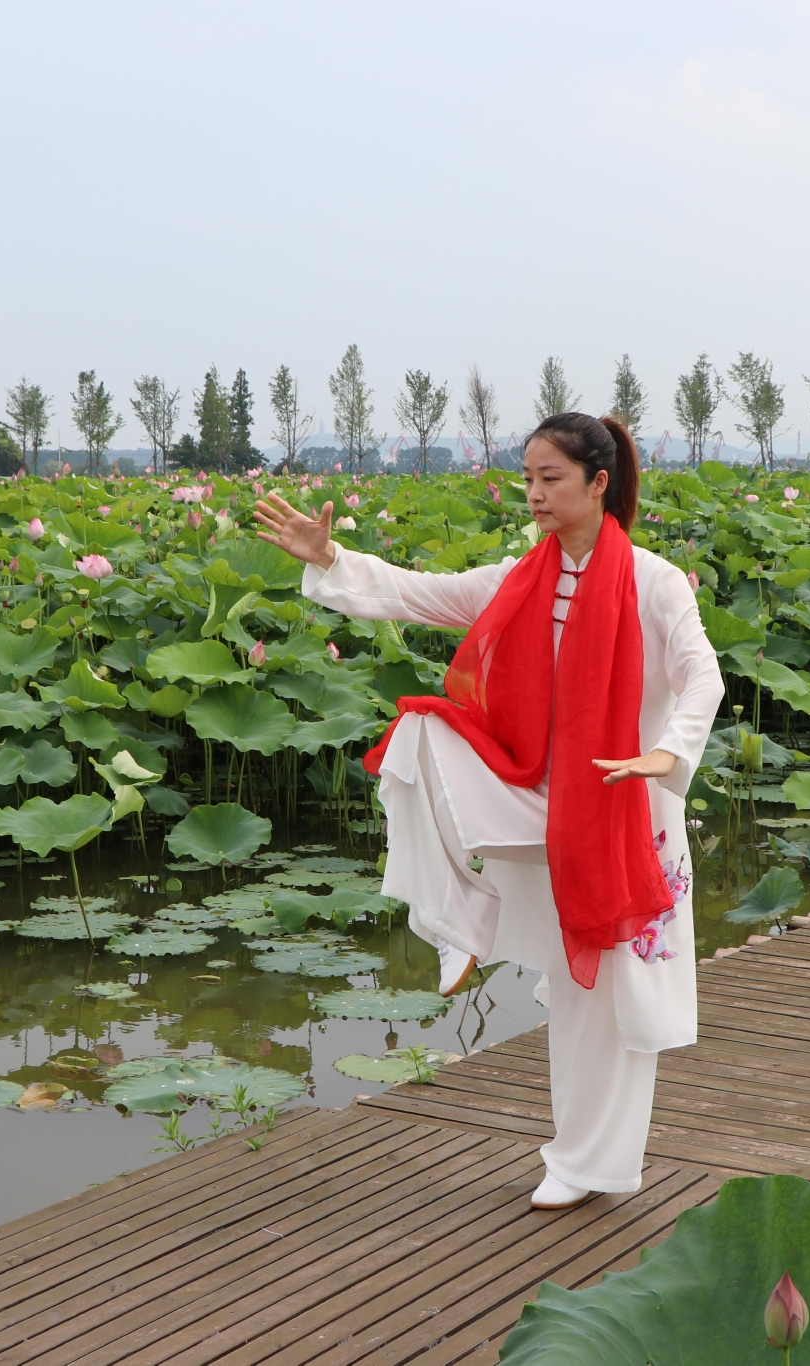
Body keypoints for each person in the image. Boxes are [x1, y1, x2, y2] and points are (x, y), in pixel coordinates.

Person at [252, 412, 724, 1210]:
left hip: (627, 807)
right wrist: (330, 558)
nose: (534, 494)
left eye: (551, 479)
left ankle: (585, 1164)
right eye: (528, 478)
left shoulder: (653, 581)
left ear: (598, 483)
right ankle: (463, 921)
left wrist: (667, 754)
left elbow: (702, 674)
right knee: (420, 737)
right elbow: (417, 594)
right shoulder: (520, 577)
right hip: (546, 795)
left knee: (608, 999)